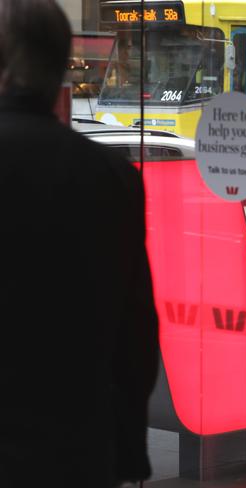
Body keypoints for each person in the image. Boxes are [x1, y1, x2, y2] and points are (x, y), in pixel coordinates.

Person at [0, 1, 159, 487]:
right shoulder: (113, 177)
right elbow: (136, 335)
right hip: (76, 451)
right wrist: (128, 449)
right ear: (61, 71)